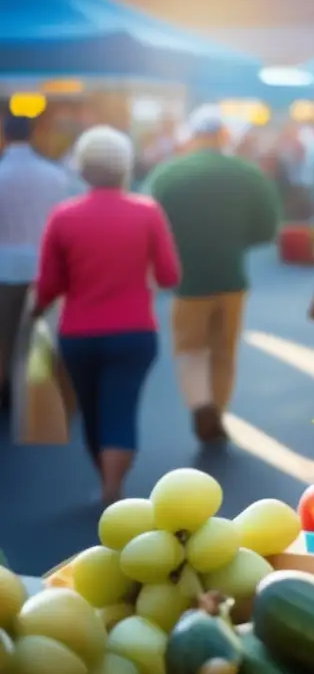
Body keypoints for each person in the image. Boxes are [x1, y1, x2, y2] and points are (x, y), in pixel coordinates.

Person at [34, 126, 180, 503]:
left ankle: (105, 480)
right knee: (121, 407)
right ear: (126, 167)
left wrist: (32, 314)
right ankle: (113, 487)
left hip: (78, 333)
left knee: (92, 411)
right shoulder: (147, 212)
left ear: (82, 170)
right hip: (134, 330)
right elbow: (169, 275)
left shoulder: (63, 217)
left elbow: (49, 284)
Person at [147, 108, 279, 445]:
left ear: (192, 137)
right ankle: (217, 410)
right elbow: (267, 229)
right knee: (224, 350)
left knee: (190, 348)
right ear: (224, 136)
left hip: (186, 280)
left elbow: (150, 226)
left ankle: (200, 404)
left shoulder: (168, 175)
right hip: (232, 277)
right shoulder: (248, 174)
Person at [0, 111, 74, 411]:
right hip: (46, 267)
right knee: (45, 332)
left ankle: (5, 391)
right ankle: (45, 392)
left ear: (5, 137)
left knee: (5, 334)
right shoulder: (56, 176)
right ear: (32, 135)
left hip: (5, 266)